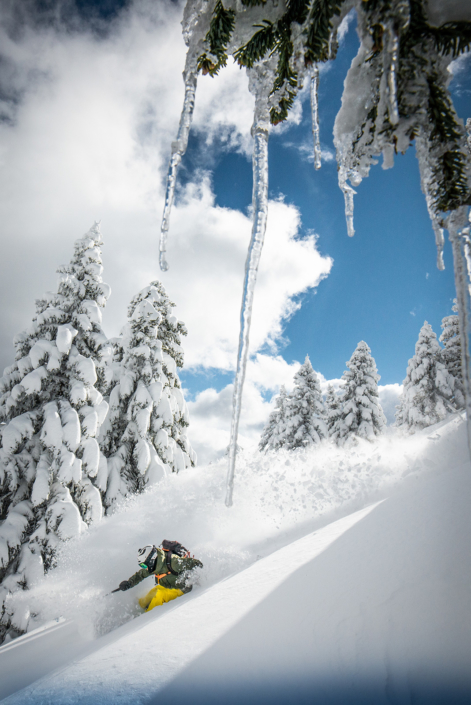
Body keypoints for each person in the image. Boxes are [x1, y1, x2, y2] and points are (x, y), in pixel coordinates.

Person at [117, 541, 203, 612]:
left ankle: (145, 617)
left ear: (151, 560)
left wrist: (201, 573)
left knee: (159, 596)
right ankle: (139, 606)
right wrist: (129, 583)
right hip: (169, 586)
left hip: (182, 588)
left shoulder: (174, 563)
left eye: (144, 565)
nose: (144, 568)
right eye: (142, 566)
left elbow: (193, 563)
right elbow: (141, 575)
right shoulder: (154, 566)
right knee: (154, 591)